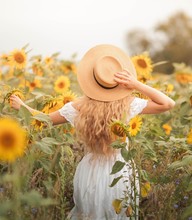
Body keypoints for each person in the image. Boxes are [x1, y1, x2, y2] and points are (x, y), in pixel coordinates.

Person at [10, 44, 175, 220]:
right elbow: (168, 104)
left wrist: (23, 106)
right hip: (120, 173)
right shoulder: (128, 104)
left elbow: (45, 120)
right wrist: (136, 85)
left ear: (91, 80)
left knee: (88, 215)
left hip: (90, 172)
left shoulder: (79, 107)